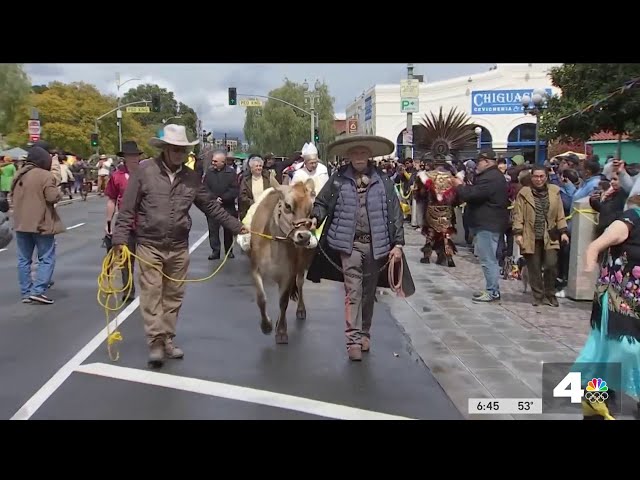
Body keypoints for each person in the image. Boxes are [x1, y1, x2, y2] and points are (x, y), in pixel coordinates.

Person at [112, 125, 248, 368]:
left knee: (173, 295)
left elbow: (211, 207)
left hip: (177, 245)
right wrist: (119, 240)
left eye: (183, 150)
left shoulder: (192, 178)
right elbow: (127, 209)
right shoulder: (145, 172)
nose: (179, 154)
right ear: (165, 149)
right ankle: (155, 341)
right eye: (175, 149)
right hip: (149, 244)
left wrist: (238, 227)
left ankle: (167, 338)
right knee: (152, 292)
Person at [307, 135, 414, 361]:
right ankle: (353, 340)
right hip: (349, 245)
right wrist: (315, 218)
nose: (358, 158)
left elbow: (394, 213)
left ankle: (365, 332)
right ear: (349, 157)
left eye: (362, 153)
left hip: (377, 246)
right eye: (354, 154)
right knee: (353, 292)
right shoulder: (338, 179)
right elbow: (322, 202)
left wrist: (398, 244)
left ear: (369, 156)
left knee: (368, 293)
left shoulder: (383, 180)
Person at [578, 196, 640, 420]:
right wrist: (586, 271)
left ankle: (594, 400)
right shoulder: (629, 221)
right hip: (617, 299)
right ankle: (595, 397)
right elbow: (594, 247)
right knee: (623, 350)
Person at [453, 150, 509, 303]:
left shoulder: (491, 178)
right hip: (487, 222)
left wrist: (459, 186)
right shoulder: (490, 176)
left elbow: (473, 195)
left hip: (488, 223)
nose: (477, 164)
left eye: (479, 161)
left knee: (488, 259)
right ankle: (492, 289)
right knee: (489, 258)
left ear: (487, 162)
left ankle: (492, 291)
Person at [10, 146, 64, 304]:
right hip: (41, 223)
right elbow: (52, 197)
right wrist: (59, 192)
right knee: (46, 257)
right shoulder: (45, 175)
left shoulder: (19, 175)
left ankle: (26, 292)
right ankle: (38, 290)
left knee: (24, 260)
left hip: (21, 223)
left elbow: (12, 196)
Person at [511, 165, 569, 307]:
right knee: (534, 267)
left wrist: (563, 232)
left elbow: (560, 214)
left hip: (550, 234)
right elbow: (518, 214)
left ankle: (550, 293)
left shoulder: (554, 192)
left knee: (551, 264)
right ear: (531, 178)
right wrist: (518, 233)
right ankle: (538, 295)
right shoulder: (524, 193)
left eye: (541, 176)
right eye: (536, 176)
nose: (538, 179)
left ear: (546, 177)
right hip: (531, 235)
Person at [104, 140, 143, 302]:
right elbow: (112, 199)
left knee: (150, 259)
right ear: (125, 157)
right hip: (126, 223)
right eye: (130, 156)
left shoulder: (146, 174)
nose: (134, 158)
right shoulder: (117, 176)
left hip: (146, 223)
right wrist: (108, 221)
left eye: (136, 155)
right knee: (126, 260)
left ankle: (152, 289)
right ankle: (128, 290)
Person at [203, 149, 240, 260]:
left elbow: (234, 190)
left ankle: (229, 251)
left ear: (222, 162)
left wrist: (223, 198)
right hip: (213, 206)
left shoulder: (231, 173)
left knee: (228, 230)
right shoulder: (209, 173)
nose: (213, 163)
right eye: (212, 161)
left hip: (227, 206)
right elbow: (204, 188)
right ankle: (215, 251)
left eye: (215, 161)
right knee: (213, 230)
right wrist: (214, 198)